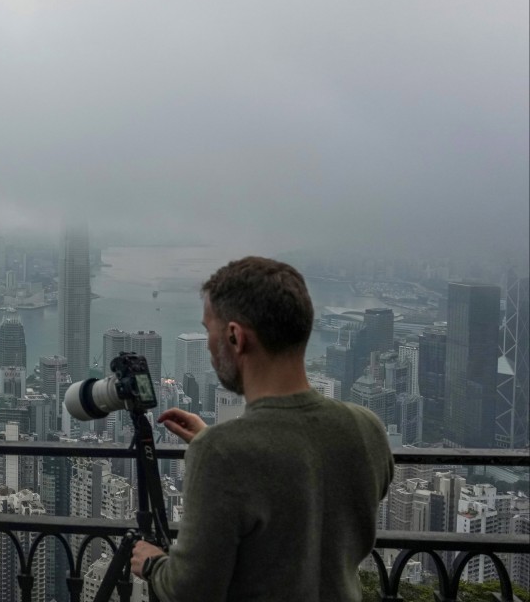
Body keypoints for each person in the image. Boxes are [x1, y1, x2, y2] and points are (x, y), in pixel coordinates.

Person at [130, 256, 393, 601]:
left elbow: (190, 591)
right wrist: (215, 442)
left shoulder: (223, 454)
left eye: (209, 330)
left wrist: (152, 563)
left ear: (236, 337)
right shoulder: (367, 428)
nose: (209, 345)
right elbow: (307, 480)